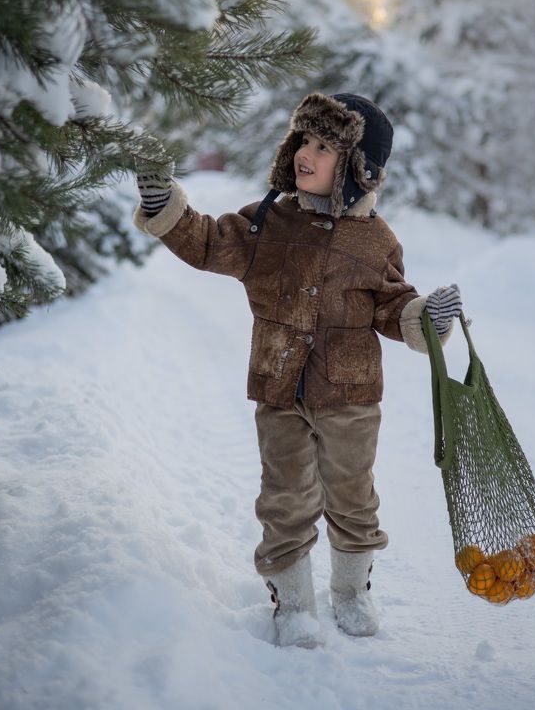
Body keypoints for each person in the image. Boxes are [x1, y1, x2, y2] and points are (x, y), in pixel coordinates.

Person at [134, 92, 461, 648]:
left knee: (352, 494)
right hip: (279, 387)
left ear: (359, 169)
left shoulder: (375, 239)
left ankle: (352, 592)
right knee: (285, 495)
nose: (307, 153)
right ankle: (294, 602)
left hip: (351, 395)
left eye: (325, 147)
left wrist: (424, 316)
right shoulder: (269, 223)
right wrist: (168, 207)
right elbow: (212, 243)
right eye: (304, 140)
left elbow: (390, 303)